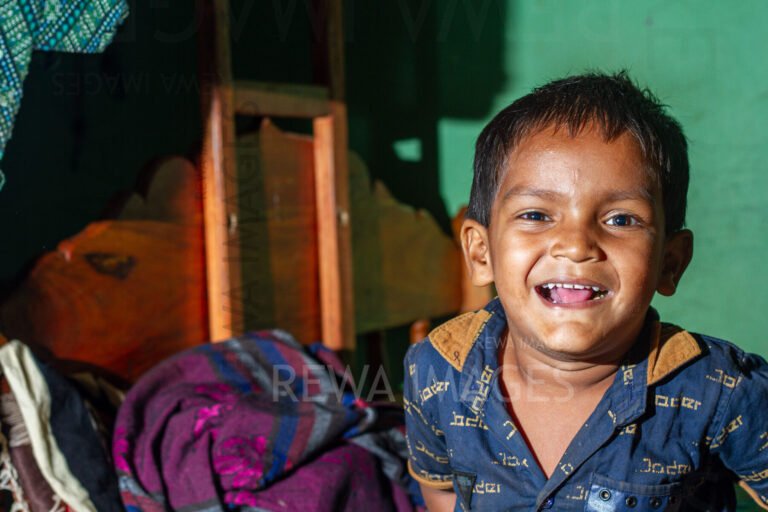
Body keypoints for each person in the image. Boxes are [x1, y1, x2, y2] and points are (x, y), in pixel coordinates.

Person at [403, 72, 768, 511]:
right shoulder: (437, 372)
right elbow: (441, 488)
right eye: (536, 215)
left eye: (621, 219)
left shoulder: (719, 391)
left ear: (669, 263)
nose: (576, 245)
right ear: (482, 253)